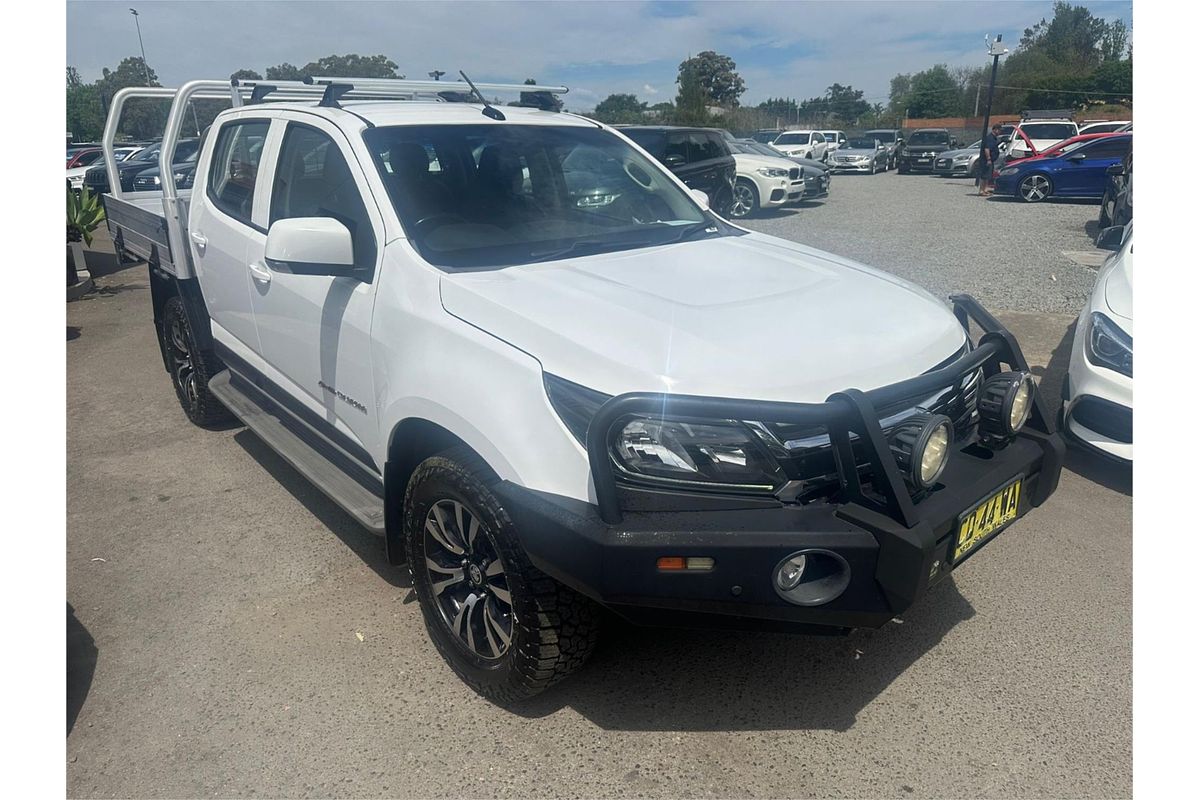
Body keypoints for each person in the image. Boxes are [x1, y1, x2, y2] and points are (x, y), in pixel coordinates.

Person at [977, 123, 1002, 196]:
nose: (1000, 132)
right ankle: (981, 190)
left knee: (988, 175)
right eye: (999, 130)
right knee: (984, 175)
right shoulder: (990, 138)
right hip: (986, 160)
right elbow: (987, 149)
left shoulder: (994, 138)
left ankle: (985, 189)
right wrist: (988, 159)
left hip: (991, 160)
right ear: (995, 130)